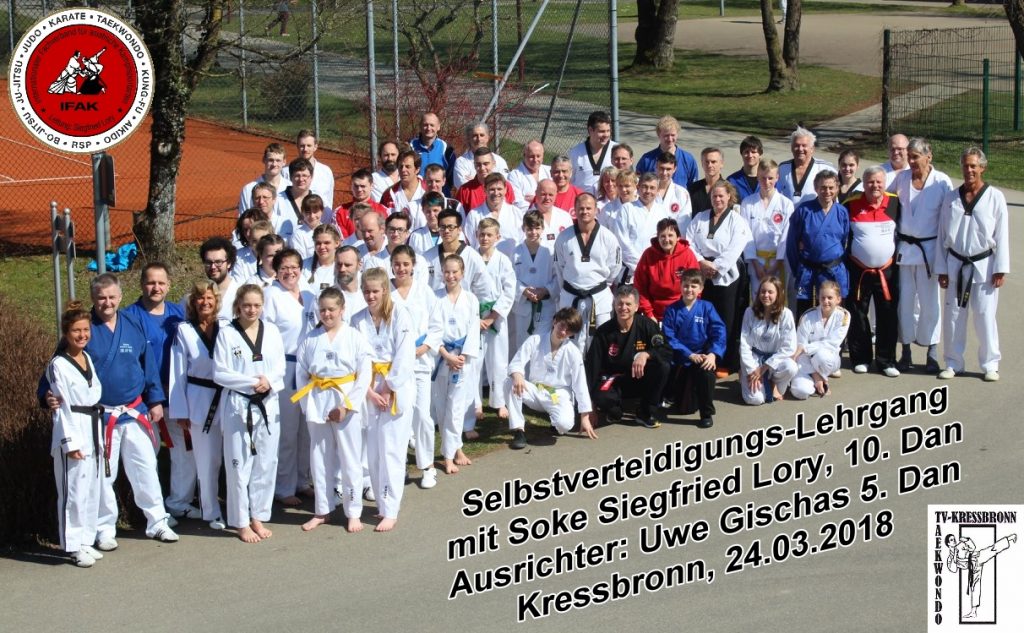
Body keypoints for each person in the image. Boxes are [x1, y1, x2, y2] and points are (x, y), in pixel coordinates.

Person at [75, 274, 178, 549]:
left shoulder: (132, 323)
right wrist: (47, 393)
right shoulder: (84, 328)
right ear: (93, 298)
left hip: (134, 411)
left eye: (112, 297)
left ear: (120, 297)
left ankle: (157, 522)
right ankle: (104, 529)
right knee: (104, 475)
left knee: (145, 467)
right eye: (101, 298)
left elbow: (148, 364)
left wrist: (155, 399)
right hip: (100, 415)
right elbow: (62, 364)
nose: (107, 303)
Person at [292, 288, 373, 533]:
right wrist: (309, 407)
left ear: (342, 309)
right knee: (319, 458)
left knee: (350, 458)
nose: (327, 314)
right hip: (318, 399)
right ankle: (322, 510)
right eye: (323, 310)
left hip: (345, 398)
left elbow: (364, 375)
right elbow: (301, 374)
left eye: (331, 309)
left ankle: (353, 511)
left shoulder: (354, 337)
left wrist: (347, 406)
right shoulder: (310, 339)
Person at [214, 284, 286, 542]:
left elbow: (280, 366)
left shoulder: (272, 331)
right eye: (246, 305)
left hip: (268, 402)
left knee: (266, 462)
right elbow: (219, 373)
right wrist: (252, 383)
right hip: (238, 404)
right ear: (238, 306)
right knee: (238, 465)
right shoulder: (227, 333)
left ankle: (258, 515)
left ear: (262, 306)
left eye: (256, 305)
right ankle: (241, 521)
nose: (252, 310)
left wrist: (269, 381)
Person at [123, 264, 193, 521]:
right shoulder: (129, 317)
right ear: (142, 284)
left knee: (185, 451)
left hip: (177, 395)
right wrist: (151, 391)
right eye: (151, 282)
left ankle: (179, 502)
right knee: (146, 455)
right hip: (144, 399)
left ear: (169, 285)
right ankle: (151, 511)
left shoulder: (179, 314)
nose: (156, 288)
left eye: (161, 283)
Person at [350, 269, 417, 531]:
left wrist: (389, 387)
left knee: (392, 449)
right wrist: (367, 390)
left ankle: (391, 508)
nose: (370, 296)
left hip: (394, 385)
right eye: (366, 291)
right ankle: (381, 502)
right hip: (369, 385)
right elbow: (355, 357)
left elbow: (405, 355)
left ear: (385, 291)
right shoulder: (357, 319)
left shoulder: (400, 314)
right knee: (373, 450)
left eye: (375, 291)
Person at [936, 147, 1009, 383]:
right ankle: (953, 362)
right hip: (955, 263)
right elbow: (942, 235)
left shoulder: (995, 197)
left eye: (973, 166)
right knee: (953, 317)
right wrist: (942, 269)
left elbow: (1002, 235)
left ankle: (990, 364)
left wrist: (1000, 268)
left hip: (984, 265)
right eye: (966, 165)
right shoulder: (951, 198)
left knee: (985, 316)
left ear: (982, 168)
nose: (969, 170)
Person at [48, 301, 105, 567]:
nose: (82, 335)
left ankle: (85, 540)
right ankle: (71, 545)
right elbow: (61, 407)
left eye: (85, 330)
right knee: (73, 491)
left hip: (92, 424)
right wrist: (69, 442)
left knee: (91, 488)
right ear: (66, 333)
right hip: (72, 427)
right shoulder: (58, 364)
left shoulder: (87, 358)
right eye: (76, 331)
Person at [168, 281, 227, 531]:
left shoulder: (227, 327)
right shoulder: (184, 330)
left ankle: (238, 507)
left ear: (217, 301)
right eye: (200, 298)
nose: (205, 302)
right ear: (193, 302)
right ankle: (211, 511)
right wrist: (180, 411)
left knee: (234, 456)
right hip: (198, 398)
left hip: (227, 396)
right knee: (207, 459)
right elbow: (177, 373)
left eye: (209, 297)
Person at [262, 249, 318, 506]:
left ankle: (302, 480)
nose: (289, 272)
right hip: (285, 367)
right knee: (287, 429)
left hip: (309, 369)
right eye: (283, 267)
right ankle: (283, 486)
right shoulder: (271, 295)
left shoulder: (309, 294)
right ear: (275, 270)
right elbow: (265, 335)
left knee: (307, 429)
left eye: (294, 266)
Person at [890, 137, 952, 373]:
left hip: (930, 251)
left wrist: (947, 255)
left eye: (916, 157)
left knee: (929, 303)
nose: (912, 161)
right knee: (905, 303)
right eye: (910, 157)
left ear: (929, 156)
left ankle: (932, 352)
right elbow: (887, 205)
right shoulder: (901, 178)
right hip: (905, 250)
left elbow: (948, 219)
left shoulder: (941, 182)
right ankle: (905, 351)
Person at [686, 180, 751, 375]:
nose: (717, 199)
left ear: (729, 197)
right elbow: (689, 242)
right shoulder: (700, 218)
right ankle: (705, 355)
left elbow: (736, 248)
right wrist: (701, 262)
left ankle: (724, 360)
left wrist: (716, 267)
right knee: (704, 317)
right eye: (714, 196)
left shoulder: (737, 220)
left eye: (721, 195)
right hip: (702, 274)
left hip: (727, 275)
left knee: (725, 318)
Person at [507, 308, 597, 449]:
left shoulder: (573, 352)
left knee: (564, 424)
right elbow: (516, 363)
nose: (563, 332)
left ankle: (555, 423)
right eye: (562, 326)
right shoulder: (535, 340)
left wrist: (584, 416)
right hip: (536, 390)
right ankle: (519, 430)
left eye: (569, 331)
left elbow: (580, 384)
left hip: (558, 394)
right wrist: (517, 374)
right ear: (555, 321)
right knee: (510, 382)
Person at [389, 245, 440, 489]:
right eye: (397, 264)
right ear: (391, 265)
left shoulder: (424, 291)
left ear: (413, 266)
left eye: (405, 264)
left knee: (422, 415)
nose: (401, 268)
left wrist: (426, 346)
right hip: (394, 364)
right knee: (398, 415)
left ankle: (427, 466)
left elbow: (437, 325)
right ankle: (398, 467)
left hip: (420, 361)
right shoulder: (386, 292)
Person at [586, 285, 672, 428]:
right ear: (614, 305)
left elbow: (666, 350)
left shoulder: (647, 325)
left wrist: (646, 354)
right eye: (619, 303)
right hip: (614, 381)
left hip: (639, 378)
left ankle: (645, 412)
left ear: (636, 307)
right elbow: (591, 367)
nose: (623, 308)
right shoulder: (603, 332)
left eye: (628, 304)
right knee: (601, 396)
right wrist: (589, 407)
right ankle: (615, 411)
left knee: (662, 366)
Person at [844, 166, 901, 377]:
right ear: (863, 183)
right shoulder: (851, 204)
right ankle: (861, 358)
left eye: (878, 182)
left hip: (887, 272)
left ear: (884, 183)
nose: (874, 186)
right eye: (870, 182)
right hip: (858, 270)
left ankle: (886, 361)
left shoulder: (895, 203)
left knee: (888, 314)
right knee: (858, 313)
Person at [429, 255, 481, 475]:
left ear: (462, 273)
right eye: (446, 272)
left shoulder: (471, 299)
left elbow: (474, 331)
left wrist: (461, 357)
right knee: (441, 407)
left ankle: (449, 456)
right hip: (440, 357)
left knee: (456, 408)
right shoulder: (434, 298)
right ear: (442, 273)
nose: (450, 276)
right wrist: (445, 354)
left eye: (454, 272)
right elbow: (431, 330)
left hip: (461, 360)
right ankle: (455, 448)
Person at [553, 193, 623, 351]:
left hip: (599, 296)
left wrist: (602, 284)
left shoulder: (608, 237)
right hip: (571, 296)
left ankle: (597, 368)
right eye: (581, 208)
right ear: (575, 210)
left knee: (601, 340)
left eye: (588, 208)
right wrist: (570, 285)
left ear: (596, 210)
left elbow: (615, 266)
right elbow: (559, 267)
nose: (584, 211)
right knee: (569, 343)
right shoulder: (564, 237)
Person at [662, 269, 727, 429]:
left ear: (701, 289)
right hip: (679, 359)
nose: (689, 289)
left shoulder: (707, 307)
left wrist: (713, 354)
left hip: (702, 356)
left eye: (693, 286)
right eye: (686, 285)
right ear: (680, 286)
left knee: (707, 373)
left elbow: (719, 331)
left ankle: (706, 413)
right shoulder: (671, 310)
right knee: (685, 409)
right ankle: (672, 395)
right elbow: (669, 337)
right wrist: (688, 354)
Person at [786, 170, 850, 316]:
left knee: (835, 313)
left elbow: (844, 241)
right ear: (816, 188)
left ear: (837, 188)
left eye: (831, 187)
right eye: (823, 187)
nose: (827, 191)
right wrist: (797, 269)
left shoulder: (842, 212)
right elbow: (792, 244)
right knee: (805, 313)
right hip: (808, 271)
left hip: (833, 270)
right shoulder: (804, 210)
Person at [472, 218, 516, 425]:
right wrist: (475, 317)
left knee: (498, 360)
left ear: (497, 237)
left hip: (496, 317)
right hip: (475, 316)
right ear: (476, 235)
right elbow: (465, 288)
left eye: (489, 235)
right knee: (474, 361)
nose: (485, 238)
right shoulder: (471, 258)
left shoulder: (503, 260)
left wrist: (492, 317)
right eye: (482, 234)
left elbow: (509, 291)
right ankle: (475, 403)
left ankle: (499, 401)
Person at [739, 276, 798, 405]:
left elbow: (789, 347)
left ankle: (775, 382)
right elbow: (744, 344)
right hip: (754, 359)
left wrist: (765, 367)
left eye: (770, 292)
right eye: (763, 291)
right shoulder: (749, 312)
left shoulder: (786, 314)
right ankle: (744, 375)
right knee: (756, 400)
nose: (766, 295)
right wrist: (751, 370)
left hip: (776, 361)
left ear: (778, 294)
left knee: (791, 367)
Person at [740, 158, 793, 300]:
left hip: (779, 262)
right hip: (756, 261)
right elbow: (746, 235)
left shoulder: (786, 204)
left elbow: (786, 236)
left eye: (770, 178)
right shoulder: (748, 203)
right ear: (757, 176)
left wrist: (776, 265)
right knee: (759, 299)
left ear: (777, 177)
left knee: (777, 299)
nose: (766, 182)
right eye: (763, 178)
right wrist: (756, 264)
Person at [790, 281, 850, 399]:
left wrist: (806, 348)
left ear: (838, 299)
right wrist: (815, 374)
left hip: (829, 359)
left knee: (822, 356)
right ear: (818, 298)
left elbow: (831, 344)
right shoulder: (807, 316)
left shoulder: (844, 315)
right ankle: (817, 379)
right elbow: (799, 348)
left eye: (830, 298)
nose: (826, 301)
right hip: (804, 361)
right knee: (800, 392)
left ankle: (823, 378)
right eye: (823, 298)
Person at [606, 172, 669, 284]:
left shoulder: (662, 211)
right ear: (638, 187)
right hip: (631, 270)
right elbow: (622, 242)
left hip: (656, 267)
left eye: (652, 188)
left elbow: (666, 240)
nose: (648, 191)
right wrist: (641, 265)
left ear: (657, 190)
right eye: (644, 187)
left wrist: (654, 265)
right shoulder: (627, 209)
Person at [510, 211, 559, 352]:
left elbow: (558, 277)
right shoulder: (516, 252)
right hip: (523, 306)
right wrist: (523, 290)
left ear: (543, 228)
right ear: (523, 228)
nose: (533, 232)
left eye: (537, 228)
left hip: (545, 305)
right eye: (529, 228)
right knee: (523, 346)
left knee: (543, 345)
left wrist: (546, 290)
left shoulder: (550, 251)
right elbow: (510, 278)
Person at [633, 218, 700, 321]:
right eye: (662, 236)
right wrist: (649, 314)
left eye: (670, 235)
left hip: (682, 312)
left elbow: (696, 286)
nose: (666, 239)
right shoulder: (648, 255)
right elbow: (640, 287)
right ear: (658, 238)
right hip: (654, 313)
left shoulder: (687, 255)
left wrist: (688, 310)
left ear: (678, 237)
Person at [945, 532, 1018, 619]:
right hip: (973, 568)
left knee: (992, 549)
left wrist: (967, 540)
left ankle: (1010, 538)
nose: (954, 541)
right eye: (951, 540)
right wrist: (954, 556)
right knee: (974, 587)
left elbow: (973, 547)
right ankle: (973, 612)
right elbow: (953, 570)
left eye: (954, 539)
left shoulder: (960, 545)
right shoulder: (950, 558)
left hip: (978, 557)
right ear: (948, 543)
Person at [463, 173, 524, 258]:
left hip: (511, 262)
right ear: (485, 190)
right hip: (483, 262)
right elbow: (471, 244)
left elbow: (522, 241)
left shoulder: (516, 213)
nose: (496, 193)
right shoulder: (474, 215)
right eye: (492, 189)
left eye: (499, 189)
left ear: (505, 189)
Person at [777, 127, 835, 207]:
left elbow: (835, 196)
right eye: (797, 145)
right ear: (791, 148)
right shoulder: (782, 169)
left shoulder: (825, 168)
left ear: (812, 149)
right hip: (788, 214)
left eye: (804, 145)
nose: (800, 149)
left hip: (815, 214)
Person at [636, 115, 699, 187]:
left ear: (677, 134)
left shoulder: (688, 160)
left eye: (673, 135)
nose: (670, 139)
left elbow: (694, 187)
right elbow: (638, 185)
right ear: (658, 135)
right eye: (666, 135)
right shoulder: (647, 160)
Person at [282, 130, 334, 212]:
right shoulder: (285, 172)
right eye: (302, 146)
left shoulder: (326, 172)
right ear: (297, 146)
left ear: (315, 147)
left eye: (309, 145)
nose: (305, 149)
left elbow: (329, 201)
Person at [568, 110, 618, 194]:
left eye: (608, 131)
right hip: (582, 200)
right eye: (602, 131)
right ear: (591, 130)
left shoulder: (617, 150)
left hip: (610, 200)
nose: (606, 135)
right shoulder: (575, 153)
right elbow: (568, 181)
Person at [334, 168, 388, 239]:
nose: (359, 189)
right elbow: (342, 241)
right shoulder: (340, 212)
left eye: (363, 186)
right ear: (351, 186)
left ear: (371, 186)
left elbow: (386, 236)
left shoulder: (383, 210)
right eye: (356, 186)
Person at [453, 123, 509, 189]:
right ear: (469, 139)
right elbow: (464, 187)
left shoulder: (499, 161)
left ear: (487, 137)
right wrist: (493, 183)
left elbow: (504, 185)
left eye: (482, 135)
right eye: (475, 136)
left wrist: (474, 181)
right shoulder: (461, 162)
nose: (479, 139)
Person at [239, 143, 288, 216]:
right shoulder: (248, 189)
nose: (274, 164)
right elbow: (243, 219)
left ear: (284, 162)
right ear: (264, 160)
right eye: (270, 160)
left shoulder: (291, 187)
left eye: (278, 160)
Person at [410, 112, 457, 186]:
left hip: (438, 191)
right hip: (415, 191)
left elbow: (451, 179)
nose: (428, 128)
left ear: (438, 127)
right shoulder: (410, 146)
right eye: (425, 125)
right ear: (420, 126)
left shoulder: (447, 150)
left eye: (432, 125)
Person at [200, 236, 240, 319]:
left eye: (218, 262)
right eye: (208, 262)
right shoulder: (197, 294)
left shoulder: (240, 294)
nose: (213, 267)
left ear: (229, 263)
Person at [531, 179, 575, 251]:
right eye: (543, 194)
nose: (547, 198)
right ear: (536, 193)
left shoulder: (565, 217)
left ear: (556, 195)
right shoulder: (526, 217)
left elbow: (571, 243)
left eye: (551, 195)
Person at [507, 139, 551, 211]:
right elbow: (517, 203)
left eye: (538, 156)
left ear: (543, 156)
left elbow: (557, 197)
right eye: (531, 156)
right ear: (524, 156)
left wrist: (534, 199)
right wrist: (543, 206)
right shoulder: (514, 175)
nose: (535, 160)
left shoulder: (549, 171)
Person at [654, 152, 693, 227]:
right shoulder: (648, 190)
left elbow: (685, 223)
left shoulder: (682, 193)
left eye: (668, 169)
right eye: (661, 168)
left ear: (674, 169)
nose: (664, 173)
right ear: (656, 167)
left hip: (673, 234)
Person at [687, 147, 726, 216]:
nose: (710, 165)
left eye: (713, 162)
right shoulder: (692, 188)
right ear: (702, 164)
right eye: (707, 162)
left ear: (721, 164)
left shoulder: (729, 189)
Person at [232, 216, 271, 282]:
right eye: (255, 241)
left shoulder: (279, 258)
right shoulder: (239, 258)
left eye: (262, 240)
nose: (259, 244)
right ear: (249, 241)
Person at [334, 244, 367, 318]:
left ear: (359, 265)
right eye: (339, 264)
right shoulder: (325, 297)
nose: (342, 269)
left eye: (347, 265)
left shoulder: (372, 293)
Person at [726, 136, 763, 201]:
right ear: (742, 154)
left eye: (753, 152)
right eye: (746, 152)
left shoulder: (768, 179)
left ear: (760, 155)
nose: (750, 155)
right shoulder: (732, 181)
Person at [306, 223, 342, 291]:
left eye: (326, 243)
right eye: (318, 243)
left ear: (337, 243)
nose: (322, 247)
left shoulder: (344, 267)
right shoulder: (303, 266)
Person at [289, 193, 324, 261]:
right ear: (302, 212)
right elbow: (300, 261)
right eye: (308, 212)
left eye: (315, 212)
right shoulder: (298, 235)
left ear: (322, 211)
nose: (312, 216)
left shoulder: (328, 232)